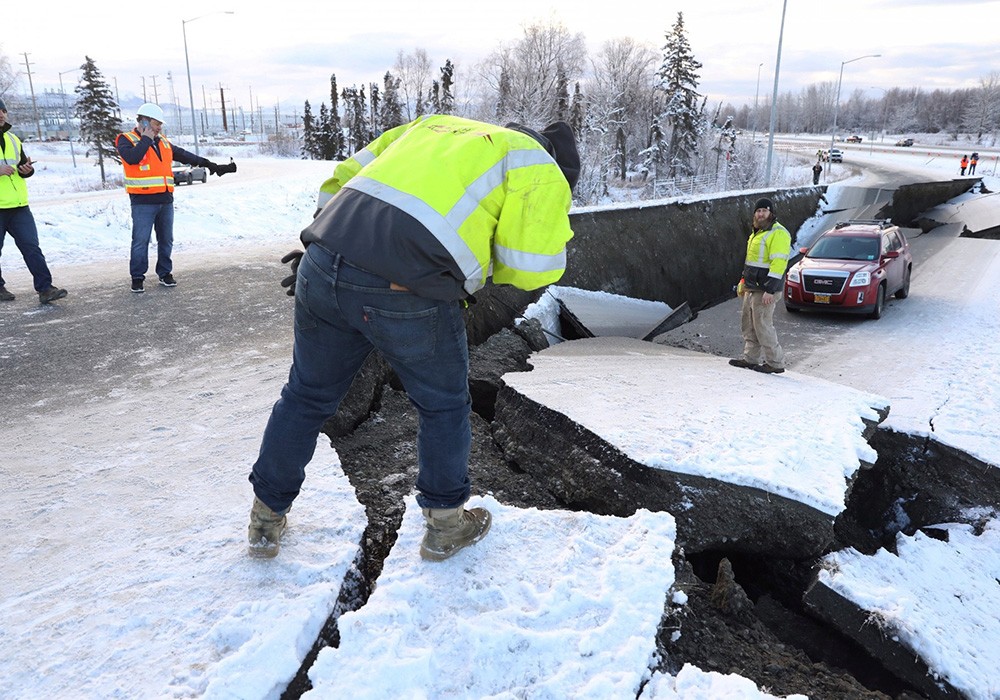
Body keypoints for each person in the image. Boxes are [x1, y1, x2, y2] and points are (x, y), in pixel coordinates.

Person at [246, 115, 580, 561]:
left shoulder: (433, 126)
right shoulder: (535, 163)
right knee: (442, 406)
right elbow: (531, 266)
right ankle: (445, 526)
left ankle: (265, 520)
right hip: (408, 290)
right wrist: (467, 270)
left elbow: (340, 183)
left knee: (306, 396)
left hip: (323, 261)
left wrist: (330, 255)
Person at [115, 103, 237, 293]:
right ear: (144, 121)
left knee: (166, 240)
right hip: (142, 202)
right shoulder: (126, 140)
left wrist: (210, 164)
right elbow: (132, 158)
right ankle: (137, 277)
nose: (159, 128)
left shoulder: (162, 142)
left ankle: (165, 273)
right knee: (141, 240)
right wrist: (146, 138)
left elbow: (184, 155)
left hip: (165, 200)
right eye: (156, 124)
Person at [0, 98, 68, 304]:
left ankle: (45, 289)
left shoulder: (13, 139)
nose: (1, 114)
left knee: (32, 247)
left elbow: (22, 168)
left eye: (2, 110)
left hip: (19, 206)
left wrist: (27, 170)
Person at [729, 197, 791, 374]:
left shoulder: (778, 233)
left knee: (762, 325)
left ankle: (775, 362)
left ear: (771, 213)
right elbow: (751, 261)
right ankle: (750, 358)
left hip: (765, 289)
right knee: (748, 325)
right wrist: (743, 282)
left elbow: (779, 263)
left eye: (764, 210)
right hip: (752, 287)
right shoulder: (757, 232)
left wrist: (770, 289)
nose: (761, 214)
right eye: (758, 211)